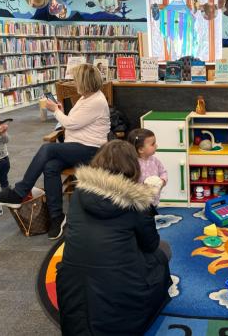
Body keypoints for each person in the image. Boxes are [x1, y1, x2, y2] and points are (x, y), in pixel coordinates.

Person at [56, 140, 172, 335]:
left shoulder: (78, 193)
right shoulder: (137, 202)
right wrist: (149, 201)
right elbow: (150, 244)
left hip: (73, 285)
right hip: (119, 290)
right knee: (164, 250)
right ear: (132, 167)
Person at [0, 64, 110, 240]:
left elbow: (71, 124)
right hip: (75, 148)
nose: (73, 82)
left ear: (84, 81)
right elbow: (76, 120)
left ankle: (19, 192)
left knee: (48, 148)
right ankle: (56, 217)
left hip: (91, 151)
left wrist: (55, 111)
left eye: (76, 79)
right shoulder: (86, 98)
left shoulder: (96, 101)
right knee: (51, 167)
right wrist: (60, 110)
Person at [127, 128, 168, 214]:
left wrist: (163, 180)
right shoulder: (132, 164)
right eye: (153, 144)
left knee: (151, 217)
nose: (156, 146)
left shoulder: (154, 160)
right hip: (138, 202)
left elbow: (163, 172)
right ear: (141, 149)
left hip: (154, 200)